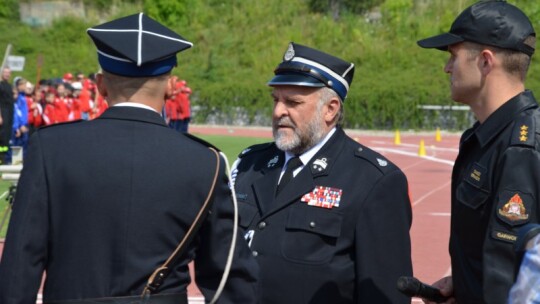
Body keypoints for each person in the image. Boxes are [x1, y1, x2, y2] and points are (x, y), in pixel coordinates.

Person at [0, 13, 258, 304]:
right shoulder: (206, 162)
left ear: (101, 84)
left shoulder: (51, 148)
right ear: (171, 86)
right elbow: (230, 279)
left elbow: (19, 266)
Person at [231, 42, 413, 304]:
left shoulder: (373, 180)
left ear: (330, 109)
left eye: (292, 102)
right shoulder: (251, 164)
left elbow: (385, 294)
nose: (278, 111)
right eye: (276, 100)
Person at [417, 1, 540, 303]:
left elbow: (509, 270)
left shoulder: (523, 146)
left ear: (485, 62)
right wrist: (464, 283)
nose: (447, 67)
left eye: (453, 56)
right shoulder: (483, 137)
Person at [0, 67, 15, 163]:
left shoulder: (9, 85)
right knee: (1, 136)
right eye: (5, 72)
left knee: (6, 137)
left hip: (9, 112)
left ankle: (3, 158)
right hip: (3, 111)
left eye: (8, 73)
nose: (7, 74)